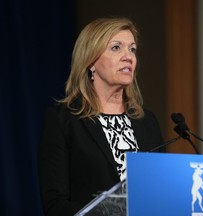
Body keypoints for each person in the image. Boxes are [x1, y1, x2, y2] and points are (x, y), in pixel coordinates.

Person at [38, 17, 164, 216]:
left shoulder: (147, 121)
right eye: (116, 48)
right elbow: (55, 205)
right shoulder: (63, 120)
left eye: (132, 49)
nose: (128, 57)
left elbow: (162, 192)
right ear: (90, 61)